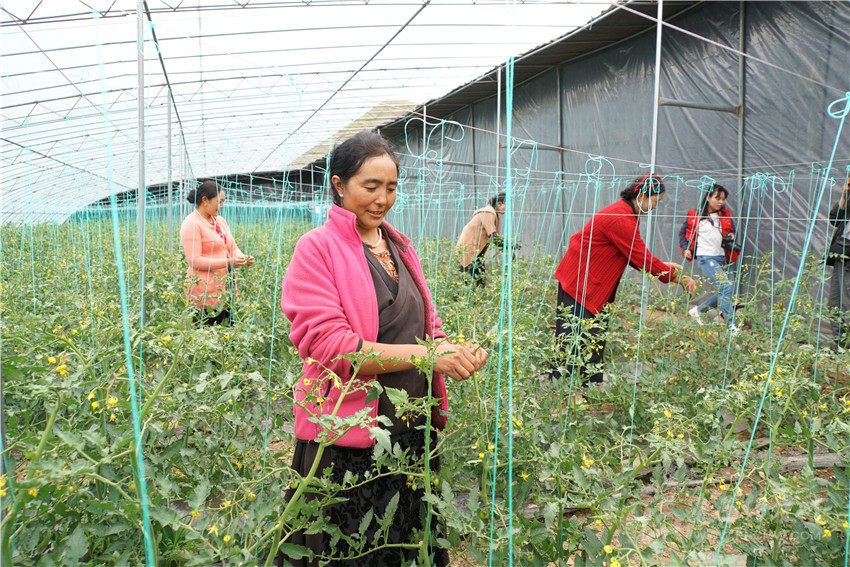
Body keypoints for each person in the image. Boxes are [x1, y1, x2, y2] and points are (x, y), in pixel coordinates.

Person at [279, 131, 488, 566]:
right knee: (352, 548)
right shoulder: (317, 248)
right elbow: (334, 347)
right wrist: (428, 356)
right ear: (339, 185)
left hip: (410, 427)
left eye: (391, 188)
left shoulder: (399, 246)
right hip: (347, 435)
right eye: (370, 186)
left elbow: (427, 327)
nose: (382, 199)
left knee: (406, 545)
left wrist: (453, 352)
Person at [551, 173, 696, 385]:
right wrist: (677, 278)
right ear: (642, 196)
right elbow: (640, 257)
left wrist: (663, 266)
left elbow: (630, 254)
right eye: (656, 201)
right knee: (574, 338)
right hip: (580, 281)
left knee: (593, 336)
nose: (655, 207)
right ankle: (565, 390)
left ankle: (589, 386)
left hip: (590, 281)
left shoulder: (626, 213)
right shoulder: (620, 217)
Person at [180, 180, 254, 325]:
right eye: (219, 202)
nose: (222, 206)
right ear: (205, 200)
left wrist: (242, 258)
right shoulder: (192, 223)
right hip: (204, 293)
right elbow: (194, 260)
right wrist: (228, 262)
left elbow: (232, 247)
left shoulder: (220, 221)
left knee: (228, 332)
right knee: (208, 332)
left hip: (225, 289)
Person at [678, 183, 741, 333]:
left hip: (723, 258)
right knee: (726, 286)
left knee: (728, 289)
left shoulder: (724, 216)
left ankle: (698, 311)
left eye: (723, 199)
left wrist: (731, 235)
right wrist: (686, 248)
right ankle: (731, 325)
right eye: (718, 198)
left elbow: (732, 231)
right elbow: (682, 234)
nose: (721, 202)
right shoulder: (695, 216)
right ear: (708, 197)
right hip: (706, 257)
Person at [455, 192, 506, 286]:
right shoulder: (488, 212)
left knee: (478, 279)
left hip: (475, 252)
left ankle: (473, 293)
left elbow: (496, 237)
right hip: (469, 249)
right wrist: (508, 246)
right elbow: (493, 236)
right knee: (470, 280)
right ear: (499, 204)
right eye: (506, 206)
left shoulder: (493, 214)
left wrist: (506, 248)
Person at [826, 174, 850, 351]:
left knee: (846, 304)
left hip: (847, 257)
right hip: (840, 257)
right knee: (835, 303)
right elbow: (834, 218)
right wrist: (844, 195)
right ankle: (840, 345)